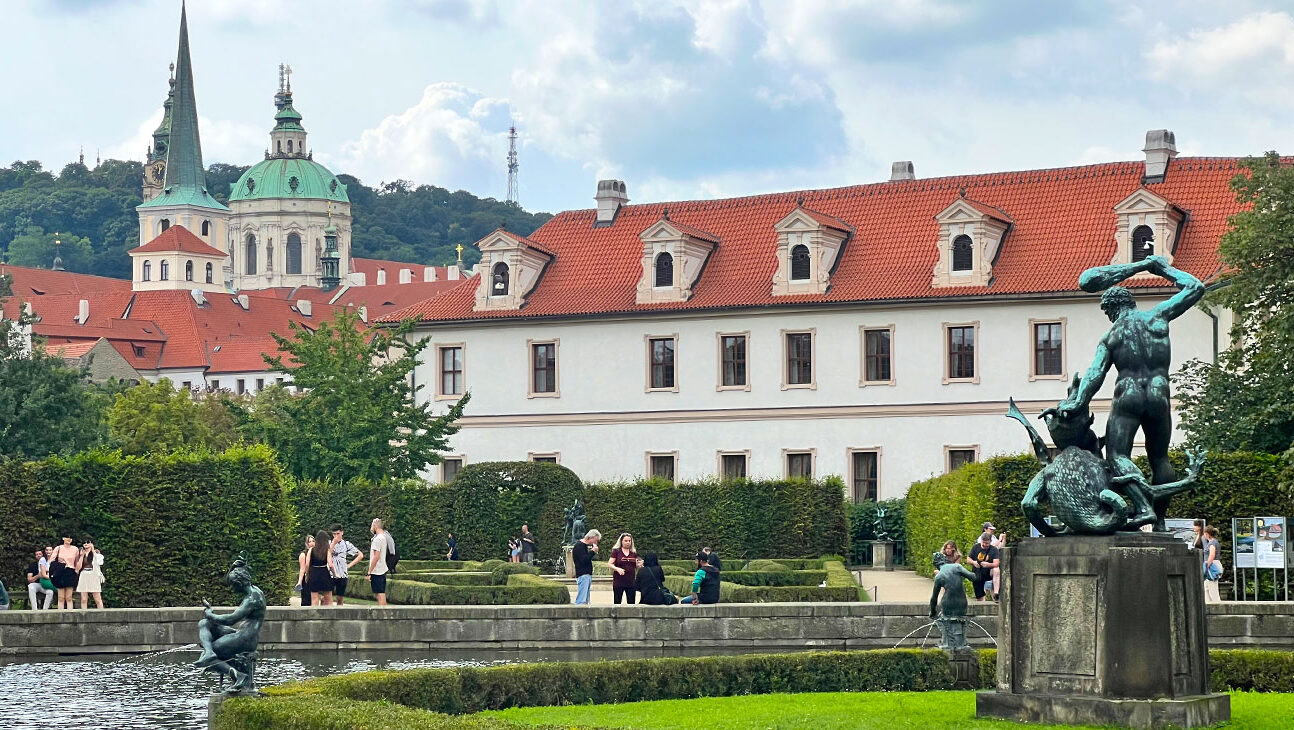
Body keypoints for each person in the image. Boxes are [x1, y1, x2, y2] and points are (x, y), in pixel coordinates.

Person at [1057, 255, 1206, 530]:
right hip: (1160, 395)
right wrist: (1162, 268)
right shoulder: (1158, 316)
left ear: (1111, 309)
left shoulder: (1112, 335)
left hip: (1128, 396)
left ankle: (1143, 507)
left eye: (1106, 312)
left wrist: (1078, 401)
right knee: (1160, 458)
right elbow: (1196, 287)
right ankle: (1160, 521)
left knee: (1117, 456)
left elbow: (1095, 374)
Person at [329, 524, 363, 606]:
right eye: (334, 534)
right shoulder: (329, 543)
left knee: (340, 599)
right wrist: (333, 543)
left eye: (338, 533)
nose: (336, 536)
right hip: (330, 574)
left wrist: (348, 566)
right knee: (327, 598)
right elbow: (327, 553)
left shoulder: (346, 544)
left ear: (342, 533)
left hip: (342, 574)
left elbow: (360, 555)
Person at [48, 536, 81, 610]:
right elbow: (51, 560)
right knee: (61, 597)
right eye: (67, 537)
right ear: (63, 538)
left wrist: (77, 571)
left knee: (69, 597)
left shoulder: (75, 549)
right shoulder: (58, 548)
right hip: (60, 572)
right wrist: (59, 562)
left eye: (70, 538)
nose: (69, 539)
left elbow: (77, 562)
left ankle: (70, 614)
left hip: (70, 572)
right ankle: (60, 615)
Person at [368, 518, 394, 606]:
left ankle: (382, 613)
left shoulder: (377, 539)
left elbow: (376, 556)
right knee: (381, 592)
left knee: (379, 593)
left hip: (377, 570)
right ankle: (384, 612)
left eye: (372, 525)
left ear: (375, 526)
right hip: (382, 569)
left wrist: (369, 571)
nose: (371, 527)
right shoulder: (383, 537)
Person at [607, 532, 638, 605]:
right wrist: (617, 569)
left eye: (629, 541)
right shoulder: (616, 551)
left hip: (630, 581)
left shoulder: (633, 552)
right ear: (621, 541)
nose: (628, 543)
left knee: (631, 602)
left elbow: (635, 565)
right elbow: (609, 564)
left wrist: (639, 564)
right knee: (617, 601)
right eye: (626, 541)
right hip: (619, 581)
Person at [571, 529, 600, 605]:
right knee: (582, 599)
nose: (596, 543)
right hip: (583, 575)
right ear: (591, 537)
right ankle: (579, 614)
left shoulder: (582, 546)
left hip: (586, 575)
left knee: (585, 599)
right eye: (595, 540)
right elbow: (583, 561)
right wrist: (592, 552)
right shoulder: (579, 546)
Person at [968, 533, 999, 601]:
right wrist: (974, 562)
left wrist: (988, 565)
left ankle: (996, 593)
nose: (985, 545)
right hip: (977, 572)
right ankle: (981, 601)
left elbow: (996, 563)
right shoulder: (975, 547)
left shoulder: (994, 549)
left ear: (990, 542)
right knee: (979, 595)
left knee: (996, 570)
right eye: (983, 543)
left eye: (987, 543)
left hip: (989, 572)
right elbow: (968, 559)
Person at [308, 529, 334, 607]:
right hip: (324, 573)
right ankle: (330, 617)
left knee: (314, 599)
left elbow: (307, 564)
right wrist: (335, 574)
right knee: (328, 599)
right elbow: (330, 565)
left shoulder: (311, 550)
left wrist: (307, 574)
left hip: (314, 573)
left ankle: (314, 617)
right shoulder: (327, 550)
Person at [76, 538, 105, 609]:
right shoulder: (80, 553)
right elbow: (77, 568)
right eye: (84, 542)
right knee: (84, 599)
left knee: (97, 598)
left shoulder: (96, 553)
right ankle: (84, 614)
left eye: (88, 542)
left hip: (93, 575)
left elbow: (100, 562)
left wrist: (93, 550)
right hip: (84, 574)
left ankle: (102, 614)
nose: (86, 544)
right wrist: (82, 556)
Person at [1203, 526, 1223, 604]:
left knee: (1212, 587)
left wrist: (1207, 566)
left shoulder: (1212, 543)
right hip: (1214, 564)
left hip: (1212, 565)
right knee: (1207, 586)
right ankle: (1208, 603)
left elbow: (1212, 555)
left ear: (1207, 534)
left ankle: (1215, 604)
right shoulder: (1215, 542)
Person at [296, 534, 315, 607]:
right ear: (306, 544)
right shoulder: (303, 554)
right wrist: (299, 582)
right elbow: (302, 569)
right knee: (306, 599)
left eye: (313, 541)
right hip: (307, 578)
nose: (312, 543)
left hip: (315, 578)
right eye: (309, 541)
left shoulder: (317, 553)